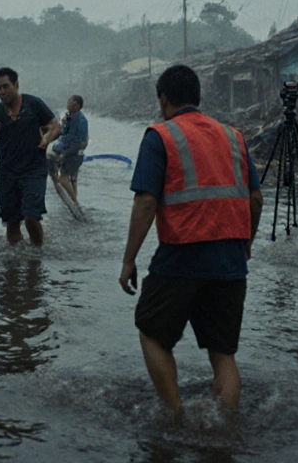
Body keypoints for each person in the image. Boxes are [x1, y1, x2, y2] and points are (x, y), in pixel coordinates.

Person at [119, 65, 264, 411]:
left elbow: (146, 201)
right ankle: (226, 431)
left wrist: (128, 260)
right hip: (230, 260)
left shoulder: (161, 135)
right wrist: (246, 244)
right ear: (198, 97)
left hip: (181, 256)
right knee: (224, 355)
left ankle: (174, 415)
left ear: (164, 99)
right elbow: (255, 199)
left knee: (152, 332)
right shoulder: (234, 136)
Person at [0, 67, 60, 246]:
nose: (2, 92)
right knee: (11, 221)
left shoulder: (34, 104)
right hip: (7, 171)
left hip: (33, 169)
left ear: (16, 85)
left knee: (31, 217)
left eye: (6, 86)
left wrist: (47, 138)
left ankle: (37, 256)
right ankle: (14, 263)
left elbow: (54, 124)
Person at [51, 94, 89, 205]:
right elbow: (63, 133)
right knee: (72, 179)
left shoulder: (81, 120)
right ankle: (74, 199)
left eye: (70, 103)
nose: (67, 105)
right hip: (69, 150)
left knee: (62, 178)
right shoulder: (70, 117)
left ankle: (74, 201)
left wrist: (65, 153)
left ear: (77, 105)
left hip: (74, 153)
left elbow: (81, 142)